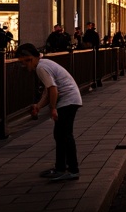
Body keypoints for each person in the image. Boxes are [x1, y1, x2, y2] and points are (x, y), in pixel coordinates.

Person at [17, 43, 83, 182]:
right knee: (60, 135)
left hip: (68, 100)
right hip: (70, 99)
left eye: (23, 62)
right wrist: (39, 106)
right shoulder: (44, 63)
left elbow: (53, 89)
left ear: (30, 58)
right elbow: (48, 91)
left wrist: (53, 108)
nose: (24, 66)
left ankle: (72, 170)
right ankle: (61, 167)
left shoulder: (41, 68)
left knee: (65, 135)